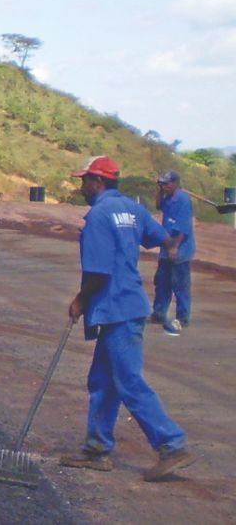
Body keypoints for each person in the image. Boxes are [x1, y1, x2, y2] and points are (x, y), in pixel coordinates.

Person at [59, 156, 197, 482]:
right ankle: (97, 449)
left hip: (116, 307)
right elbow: (161, 237)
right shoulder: (132, 209)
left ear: (98, 182)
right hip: (128, 305)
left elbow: (97, 271)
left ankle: (171, 444)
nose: (81, 187)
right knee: (103, 382)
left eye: (84, 181)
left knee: (129, 381)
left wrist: (80, 300)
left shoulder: (99, 216)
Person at [149, 171, 193, 336]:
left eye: (166, 184)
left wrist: (175, 247)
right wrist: (160, 190)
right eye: (162, 184)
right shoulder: (168, 197)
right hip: (166, 246)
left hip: (179, 247)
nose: (164, 186)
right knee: (162, 282)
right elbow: (158, 205)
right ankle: (159, 313)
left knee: (180, 284)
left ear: (175, 183)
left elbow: (183, 228)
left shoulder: (182, 200)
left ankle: (183, 317)